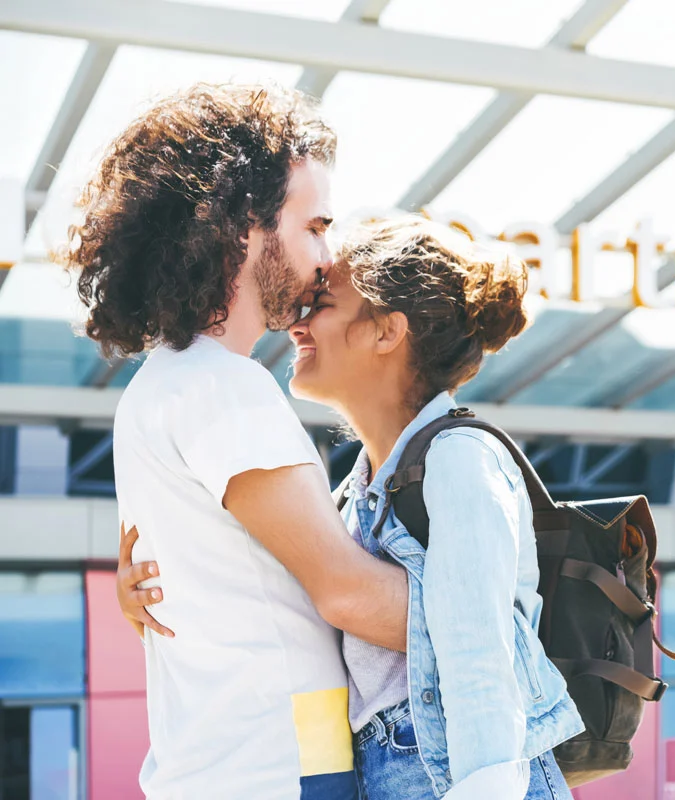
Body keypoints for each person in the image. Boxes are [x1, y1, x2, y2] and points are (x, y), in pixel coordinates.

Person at [122, 215, 586, 799]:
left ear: (387, 331)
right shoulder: (356, 492)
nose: (296, 321)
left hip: (463, 768)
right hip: (391, 766)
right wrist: (157, 589)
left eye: (321, 303)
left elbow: (479, 655)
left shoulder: (459, 455)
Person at [64, 83, 410, 800]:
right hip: (284, 770)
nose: (327, 258)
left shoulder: (159, 388)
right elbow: (345, 594)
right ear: (244, 226)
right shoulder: (227, 389)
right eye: (315, 226)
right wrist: (513, 628)